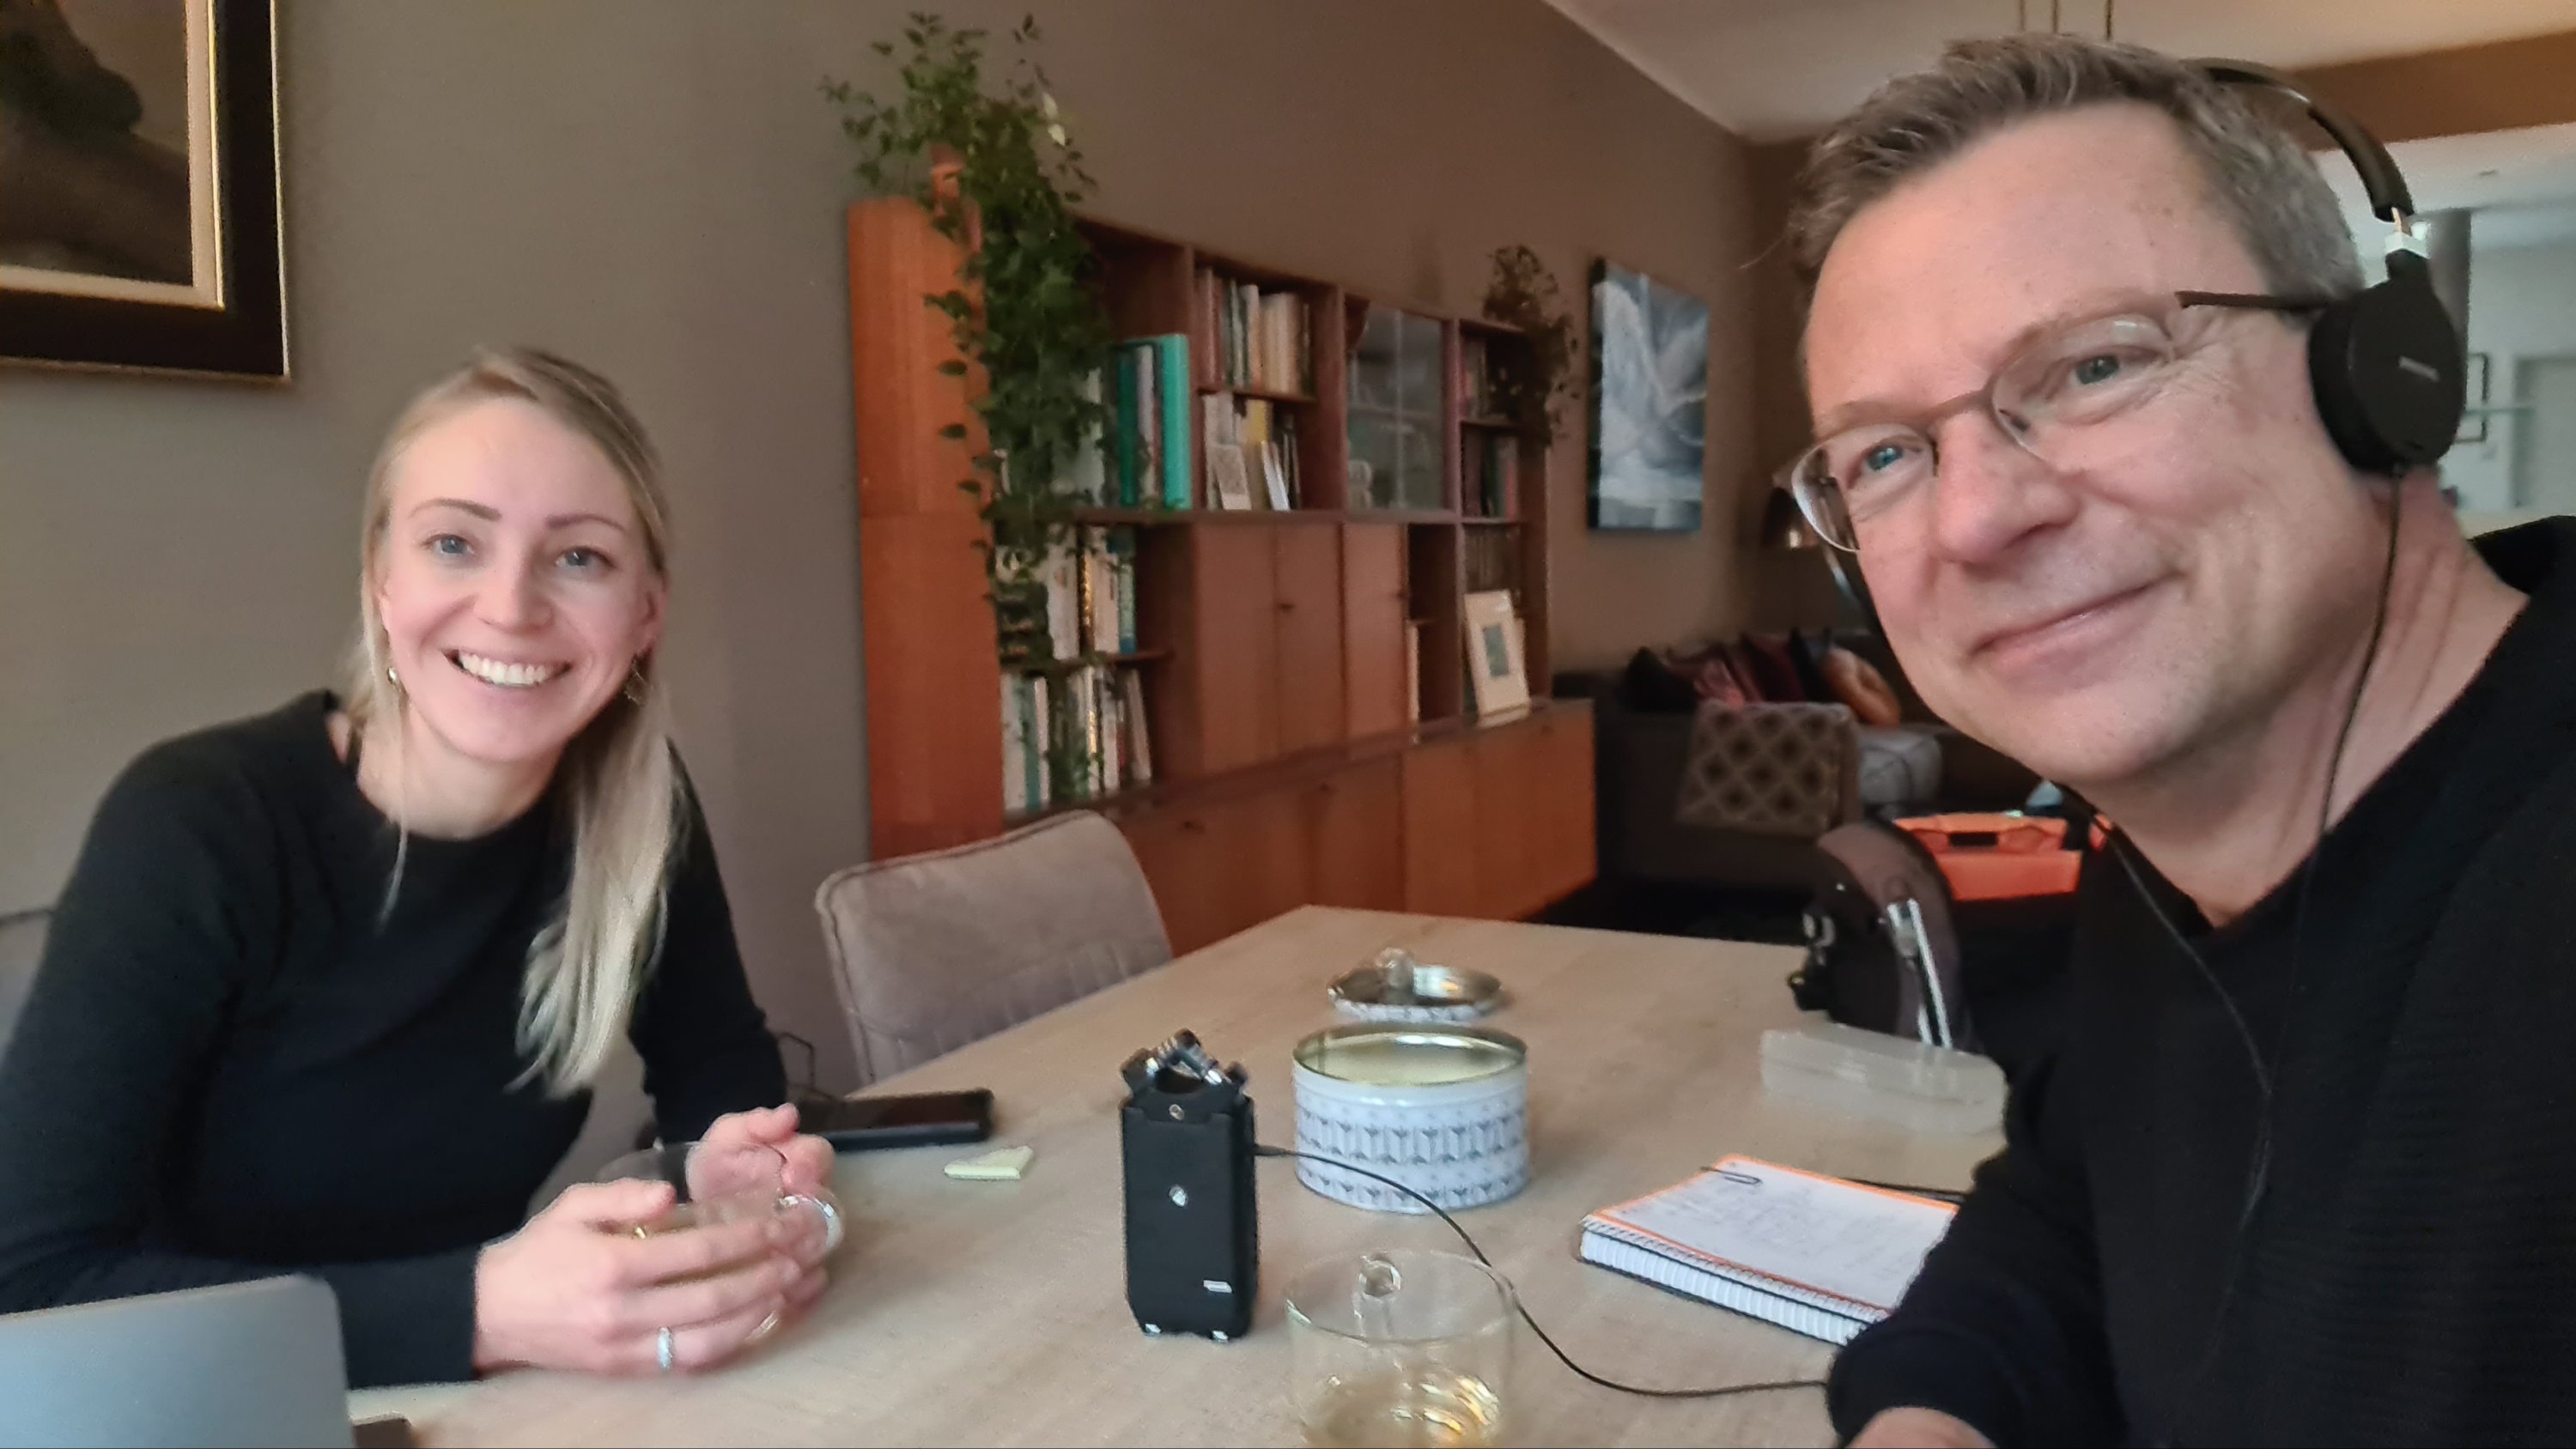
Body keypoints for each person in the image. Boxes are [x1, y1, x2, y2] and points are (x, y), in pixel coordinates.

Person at [1780, 33, 2576, 1448]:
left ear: (2380, 376)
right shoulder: (2151, 876)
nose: (1977, 518)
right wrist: (1932, 1414)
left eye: (2095, 364)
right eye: (1888, 453)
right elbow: (2072, 1214)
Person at [0, 349, 835, 1387]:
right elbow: (31, 1284)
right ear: (381, 582)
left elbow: (716, 1067)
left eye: (580, 558)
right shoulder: (200, 823)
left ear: (646, 615)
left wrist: (728, 1165)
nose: (511, 606)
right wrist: (478, 1310)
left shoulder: (635, 808)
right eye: (454, 543)